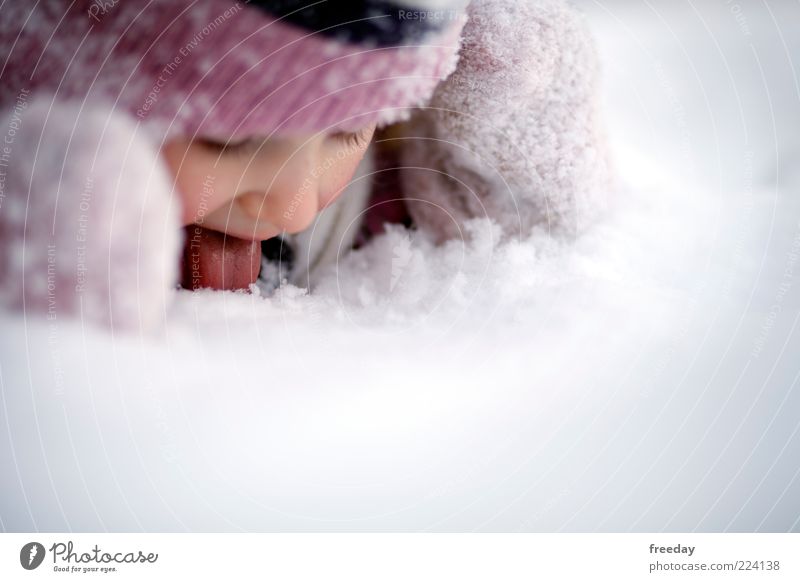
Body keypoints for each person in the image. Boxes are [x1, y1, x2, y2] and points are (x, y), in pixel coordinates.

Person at [0, 0, 610, 331]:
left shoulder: (375, 189)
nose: (293, 205)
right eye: (227, 142)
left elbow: (515, 245)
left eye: (347, 131)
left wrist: (498, 151)